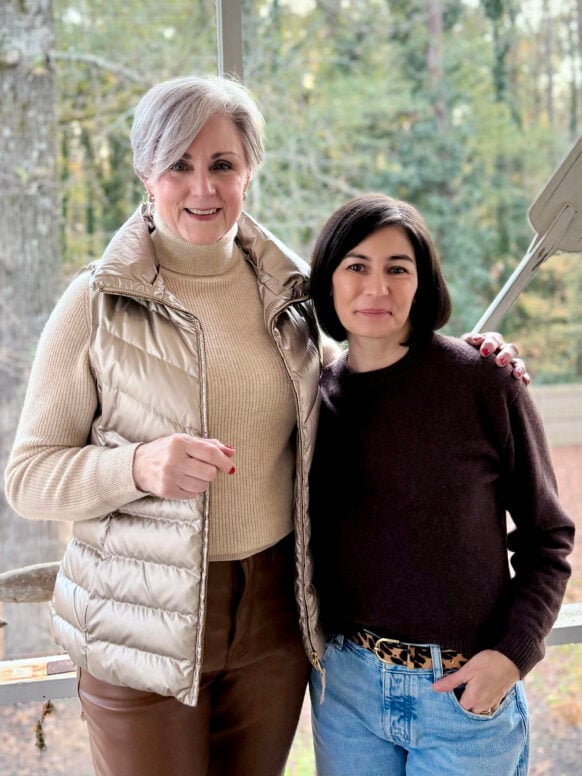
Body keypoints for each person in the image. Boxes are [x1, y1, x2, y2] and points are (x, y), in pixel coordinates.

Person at [4, 76, 525, 776]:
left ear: (249, 170)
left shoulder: (293, 297)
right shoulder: (96, 303)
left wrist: (469, 358)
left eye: (222, 164)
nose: (202, 187)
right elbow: (28, 479)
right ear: (144, 171)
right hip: (140, 633)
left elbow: (368, 376)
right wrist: (135, 467)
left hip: (276, 622)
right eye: (178, 165)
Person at [307, 193, 574, 776]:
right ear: (327, 280)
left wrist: (512, 655)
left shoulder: (483, 383)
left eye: (397, 269)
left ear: (422, 282)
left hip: (462, 692)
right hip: (347, 688)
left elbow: (547, 538)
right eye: (356, 266)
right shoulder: (314, 400)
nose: (377, 288)